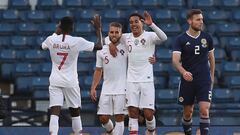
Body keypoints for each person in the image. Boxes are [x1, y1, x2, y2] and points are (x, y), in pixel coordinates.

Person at [41, 15, 103, 135]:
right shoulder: (77, 41)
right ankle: (78, 133)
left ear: (59, 26)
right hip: (71, 81)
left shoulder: (51, 39)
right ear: (72, 28)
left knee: (55, 111)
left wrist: (56, 32)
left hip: (55, 80)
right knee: (75, 111)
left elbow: (42, 46)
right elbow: (99, 46)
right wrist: (98, 29)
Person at [109, 11, 167, 135]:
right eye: (131, 22)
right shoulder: (126, 37)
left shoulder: (150, 36)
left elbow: (164, 38)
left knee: (148, 113)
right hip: (131, 80)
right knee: (132, 112)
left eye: (136, 21)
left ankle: (151, 130)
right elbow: (109, 38)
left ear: (142, 22)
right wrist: (110, 44)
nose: (133, 24)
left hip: (146, 80)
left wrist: (152, 24)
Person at [172, 9, 215, 135]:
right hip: (188, 80)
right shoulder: (180, 39)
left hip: (204, 79)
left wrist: (211, 77)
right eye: (198, 19)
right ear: (189, 21)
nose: (201, 22)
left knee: (204, 110)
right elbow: (175, 60)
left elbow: (212, 58)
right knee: (187, 112)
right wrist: (183, 72)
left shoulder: (207, 37)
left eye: (202, 19)